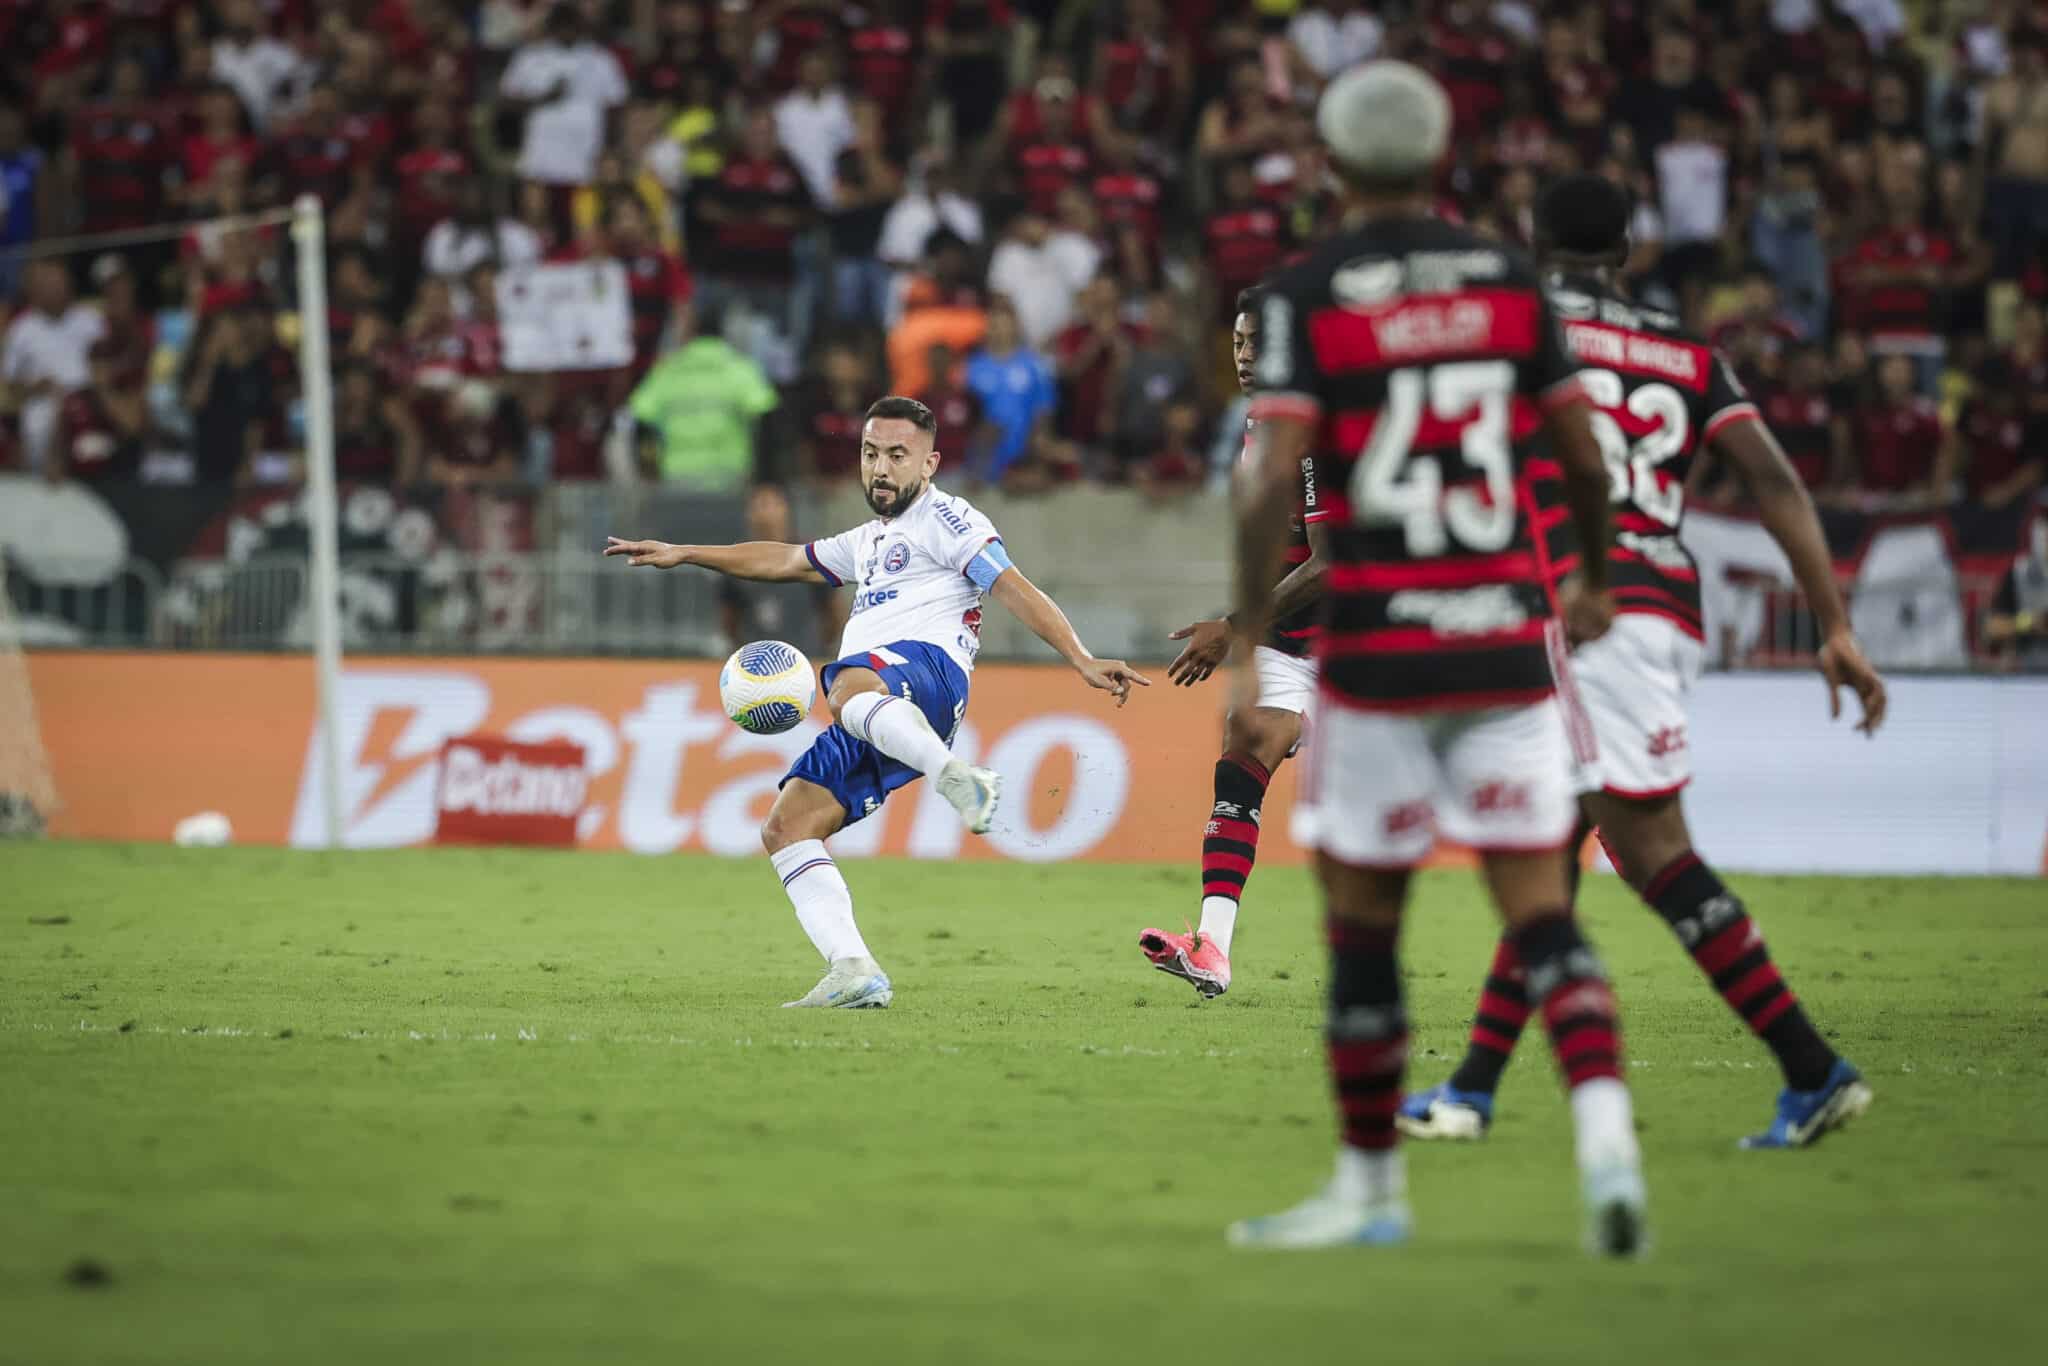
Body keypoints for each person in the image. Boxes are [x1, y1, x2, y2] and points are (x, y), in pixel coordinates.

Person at [1225, 63, 1642, 1256]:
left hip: (1377, 654)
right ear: (1439, 152)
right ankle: (1607, 1143)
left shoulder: (1309, 293)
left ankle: (1368, 1188)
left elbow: (1270, 482)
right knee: (1541, 909)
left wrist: (1245, 623)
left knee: (1363, 927)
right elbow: (1579, 455)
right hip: (1503, 638)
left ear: (1334, 163)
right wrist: (1598, 582)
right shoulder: (1511, 283)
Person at [1400, 172, 1889, 1154]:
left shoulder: (1514, 333)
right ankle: (1469, 1092)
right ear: (1627, 252)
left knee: (1651, 850)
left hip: (1580, 612)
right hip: (1665, 606)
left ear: (1531, 242)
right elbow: (1774, 481)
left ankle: (1811, 1067)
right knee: (1553, 844)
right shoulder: (1682, 352)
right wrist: (1831, 623)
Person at [604, 396, 1149, 1008]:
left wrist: (1080, 657)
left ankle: (955, 776)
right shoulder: (869, 541)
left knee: (843, 683)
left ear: (930, 463)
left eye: (897, 455)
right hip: (881, 711)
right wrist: (686, 553)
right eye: (870, 454)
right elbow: (785, 559)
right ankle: (853, 969)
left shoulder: (950, 520)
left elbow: (1012, 586)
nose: (881, 469)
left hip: (929, 676)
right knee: (787, 826)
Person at [1137, 287, 1329, 997]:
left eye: (1260, 344)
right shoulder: (1259, 423)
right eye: (1239, 344)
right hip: (1289, 636)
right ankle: (1211, 946)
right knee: (1243, 750)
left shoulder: (1316, 428)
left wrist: (1234, 628)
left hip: (1366, 638)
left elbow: (1331, 558)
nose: (1245, 358)